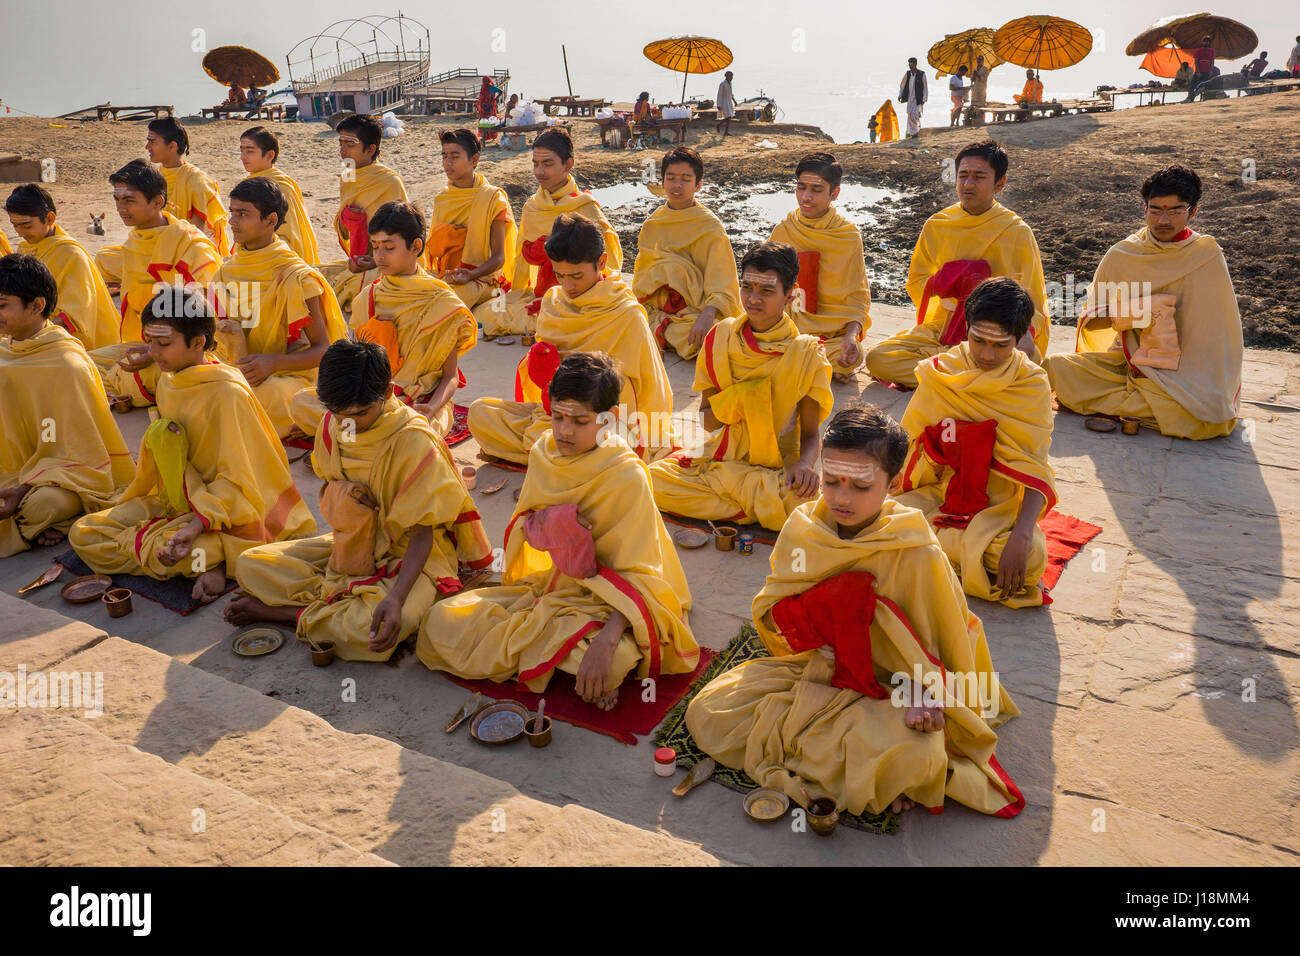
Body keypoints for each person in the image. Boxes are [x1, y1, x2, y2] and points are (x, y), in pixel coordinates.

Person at [684, 404, 1023, 818]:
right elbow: (773, 624)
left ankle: (866, 770)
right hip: (817, 671)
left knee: (919, 754)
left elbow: (943, 646)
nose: (841, 498)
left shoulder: (917, 550)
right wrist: (834, 605)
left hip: (891, 690)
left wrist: (923, 693)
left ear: (894, 483)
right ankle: (862, 778)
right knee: (708, 712)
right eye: (831, 481)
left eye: (861, 487)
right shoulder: (803, 527)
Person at [418, 351, 699, 712]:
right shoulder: (542, 453)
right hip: (549, 591)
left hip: (611, 603)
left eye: (579, 421)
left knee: (611, 659)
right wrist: (554, 527)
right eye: (557, 417)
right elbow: (525, 532)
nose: (564, 431)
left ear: (608, 419)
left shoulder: (625, 475)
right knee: (439, 621)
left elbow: (642, 576)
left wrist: (607, 643)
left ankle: (585, 657)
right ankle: (561, 659)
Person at [226, 339, 493, 662]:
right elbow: (335, 496)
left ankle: (286, 612)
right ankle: (334, 602)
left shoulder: (413, 440)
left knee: (374, 627)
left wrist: (395, 599)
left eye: (360, 413)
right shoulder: (331, 424)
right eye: (338, 414)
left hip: (410, 557)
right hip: (352, 544)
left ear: (389, 392)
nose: (347, 423)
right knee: (249, 564)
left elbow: (424, 535)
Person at [69, 286, 315, 604]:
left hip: (233, 515)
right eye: (149, 342)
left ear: (198, 342)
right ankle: (207, 562)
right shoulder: (169, 380)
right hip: (180, 499)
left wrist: (197, 524)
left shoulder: (227, 393)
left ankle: (213, 561)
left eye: (163, 344)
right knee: (84, 532)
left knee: (193, 549)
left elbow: (244, 484)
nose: (153, 353)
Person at [1044, 164, 1242, 440]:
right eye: (1156, 209)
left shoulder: (1206, 256)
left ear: (1192, 212)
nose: (1164, 220)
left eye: (1175, 211)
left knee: (1211, 415)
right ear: (1144, 209)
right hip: (1128, 362)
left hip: (1187, 373)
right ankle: (1133, 405)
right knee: (1055, 367)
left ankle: (1114, 404)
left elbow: (1219, 336)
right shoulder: (1124, 254)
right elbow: (1095, 316)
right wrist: (1140, 315)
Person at [893, 278, 1057, 608]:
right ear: (965, 327)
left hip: (998, 504)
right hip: (937, 491)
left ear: (1020, 338)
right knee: (882, 519)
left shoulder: (1032, 384)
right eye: (977, 340)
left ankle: (932, 556)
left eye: (1000, 345)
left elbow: (1036, 467)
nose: (986, 354)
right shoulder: (942, 372)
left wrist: (1023, 535)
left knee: (1031, 559)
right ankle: (951, 555)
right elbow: (906, 446)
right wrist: (941, 445)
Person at [648, 241, 833, 531]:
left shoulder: (807, 353)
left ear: (790, 295)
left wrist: (806, 465)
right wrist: (744, 397)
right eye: (747, 287)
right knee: (653, 480)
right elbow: (708, 423)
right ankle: (754, 507)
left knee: (805, 503)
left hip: (774, 471)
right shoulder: (719, 337)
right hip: (723, 463)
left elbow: (810, 435)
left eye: (767, 291)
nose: (753, 299)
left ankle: (747, 504)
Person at [471, 212, 675, 462]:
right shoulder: (552, 301)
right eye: (560, 275)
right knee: (480, 413)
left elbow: (651, 393)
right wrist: (540, 365)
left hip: (605, 423)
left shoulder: (627, 314)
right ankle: (564, 455)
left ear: (601, 262)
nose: (567, 285)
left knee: (606, 445)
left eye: (576, 276)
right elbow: (547, 381)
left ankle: (559, 454)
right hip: (556, 415)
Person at [865, 139, 1048, 389]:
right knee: (878, 359)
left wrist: (1024, 332)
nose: (967, 184)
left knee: (1027, 359)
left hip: (992, 336)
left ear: (1000, 183)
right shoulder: (938, 224)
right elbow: (916, 283)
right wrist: (948, 284)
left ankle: (945, 376)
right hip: (943, 328)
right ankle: (972, 378)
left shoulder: (1017, 232)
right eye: (962, 175)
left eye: (979, 177)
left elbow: (1034, 300)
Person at [292, 202, 475, 440]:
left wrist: (432, 408)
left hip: (418, 404)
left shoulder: (443, 303)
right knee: (300, 403)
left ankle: (358, 435)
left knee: (416, 432)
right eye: (375, 246)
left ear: (416, 246)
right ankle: (371, 434)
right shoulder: (367, 298)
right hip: (371, 403)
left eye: (388, 247)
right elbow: (357, 370)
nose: (378, 255)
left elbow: (450, 376)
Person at [0, 254, 133, 557]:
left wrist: (23, 486)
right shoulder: (4, 350)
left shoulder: (66, 364)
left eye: (2, 306)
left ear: (36, 306)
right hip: (8, 468)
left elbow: (80, 452)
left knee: (46, 505)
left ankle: (47, 519)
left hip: (60, 476)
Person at [208, 177, 348, 439]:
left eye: (243, 214)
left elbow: (323, 351)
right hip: (241, 369)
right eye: (231, 213)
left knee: (257, 397)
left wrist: (273, 364)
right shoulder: (225, 272)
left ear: (271, 220)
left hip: (289, 376)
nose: (232, 222)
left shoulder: (296, 277)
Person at [91, 159, 222, 407]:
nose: (120, 208)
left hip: (192, 348)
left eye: (129, 200)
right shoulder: (134, 242)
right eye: (116, 199)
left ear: (157, 202)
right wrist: (150, 348)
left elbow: (207, 318)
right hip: (148, 341)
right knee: (82, 363)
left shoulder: (191, 244)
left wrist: (153, 352)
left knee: (145, 375)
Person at [471, 127, 621, 337]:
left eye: (547, 164)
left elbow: (609, 262)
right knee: (486, 313)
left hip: (583, 294)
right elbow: (522, 260)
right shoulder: (532, 207)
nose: (539, 171)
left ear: (568, 164)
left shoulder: (585, 207)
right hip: (543, 293)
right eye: (535, 164)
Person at [768, 152, 871, 380]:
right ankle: (810, 363)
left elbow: (858, 295)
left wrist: (851, 337)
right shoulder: (784, 229)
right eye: (801, 187)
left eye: (816, 190)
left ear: (834, 193)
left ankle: (801, 361)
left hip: (831, 335)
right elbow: (764, 284)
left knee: (853, 357)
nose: (805, 197)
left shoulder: (847, 236)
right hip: (788, 329)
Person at [632, 146, 740, 360]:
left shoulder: (710, 227)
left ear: (698, 184)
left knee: (717, 336)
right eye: (671, 178)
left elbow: (723, 283)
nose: (677, 185)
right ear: (662, 182)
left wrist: (708, 313)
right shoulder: (653, 224)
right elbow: (642, 279)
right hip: (658, 308)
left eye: (685, 179)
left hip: (696, 310)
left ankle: (665, 333)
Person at [6, 183, 119, 350]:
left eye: (26, 225)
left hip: (70, 343)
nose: (20, 233)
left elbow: (74, 316)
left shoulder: (71, 254)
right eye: (15, 225)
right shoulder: (26, 247)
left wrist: (34, 337)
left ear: (50, 218)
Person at [317, 114, 410, 316]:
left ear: (370, 149)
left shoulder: (389, 182)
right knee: (317, 277)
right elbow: (344, 218)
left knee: (355, 289)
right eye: (341, 143)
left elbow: (407, 235)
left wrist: (377, 261)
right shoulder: (348, 173)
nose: (342, 150)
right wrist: (347, 220)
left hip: (389, 263)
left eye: (350, 144)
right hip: (361, 258)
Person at [423, 128, 517, 309]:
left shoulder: (492, 198)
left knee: (446, 303)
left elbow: (498, 258)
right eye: (444, 156)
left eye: (455, 156)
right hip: (448, 275)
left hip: (482, 279)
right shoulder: (443, 198)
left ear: (474, 160)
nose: (447, 163)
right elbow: (435, 250)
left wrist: (470, 275)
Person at [145, 117, 231, 255]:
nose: (147, 147)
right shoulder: (153, 177)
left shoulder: (197, 180)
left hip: (190, 251)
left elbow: (197, 232)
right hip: (160, 246)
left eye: (152, 142)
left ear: (172, 146)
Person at [238, 125, 320, 264]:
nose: (243, 157)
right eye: (242, 151)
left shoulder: (280, 186)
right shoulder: (249, 182)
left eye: (250, 151)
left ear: (270, 155)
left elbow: (289, 233)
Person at [899, 57, 928, 138]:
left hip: (918, 98)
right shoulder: (908, 74)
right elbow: (902, 84)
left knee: (914, 114)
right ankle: (913, 132)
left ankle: (915, 132)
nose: (910, 67)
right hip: (909, 98)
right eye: (909, 65)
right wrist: (900, 94)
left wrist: (924, 99)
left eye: (912, 65)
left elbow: (925, 87)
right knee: (909, 114)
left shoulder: (922, 74)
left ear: (915, 64)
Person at [1186, 35, 1216, 102]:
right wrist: (1198, 71)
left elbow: (1212, 61)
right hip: (1199, 71)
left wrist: (1211, 71)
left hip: (1207, 71)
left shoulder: (1212, 51)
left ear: (1210, 43)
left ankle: (1207, 98)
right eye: (1205, 41)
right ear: (1202, 42)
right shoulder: (1198, 50)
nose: (1206, 43)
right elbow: (1196, 61)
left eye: (1208, 42)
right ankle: (1190, 98)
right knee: (1192, 85)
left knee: (1205, 85)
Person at [716, 71, 736, 138]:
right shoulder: (722, 84)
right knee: (728, 117)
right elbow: (719, 94)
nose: (731, 77)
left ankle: (725, 131)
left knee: (729, 117)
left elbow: (731, 93)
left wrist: (734, 101)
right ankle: (719, 125)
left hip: (729, 102)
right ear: (726, 76)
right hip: (724, 103)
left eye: (732, 76)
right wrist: (718, 105)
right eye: (730, 76)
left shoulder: (730, 83)